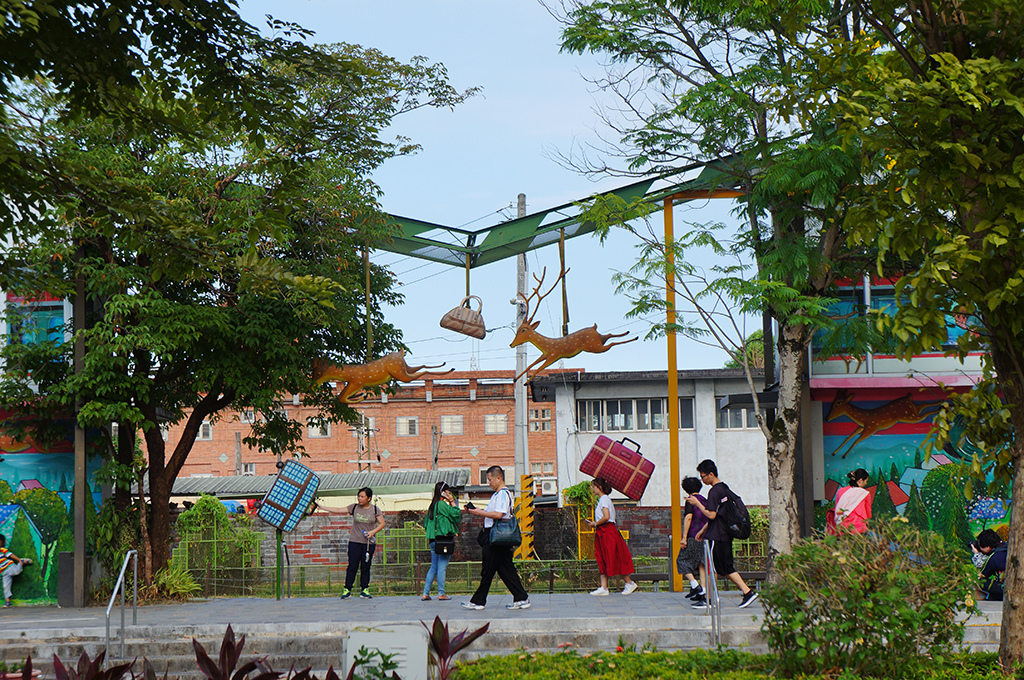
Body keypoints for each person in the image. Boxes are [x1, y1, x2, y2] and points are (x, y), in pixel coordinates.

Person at [685, 459, 758, 609]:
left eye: (703, 476)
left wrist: (697, 503)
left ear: (711, 474)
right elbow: (719, 515)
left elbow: (711, 515)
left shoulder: (714, 491)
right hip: (724, 534)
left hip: (717, 536)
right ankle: (746, 592)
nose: (703, 480)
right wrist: (703, 530)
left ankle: (711, 600)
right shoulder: (724, 488)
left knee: (714, 568)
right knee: (725, 568)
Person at [462, 465, 530, 611]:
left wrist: (479, 513)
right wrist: (478, 511)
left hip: (496, 538)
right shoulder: (497, 495)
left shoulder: (503, 494)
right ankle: (521, 598)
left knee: (488, 570)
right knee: (505, 570)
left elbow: (499, 514)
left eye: (490, 479)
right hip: (496, 538)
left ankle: (478, 601)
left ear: (498, 478)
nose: (489, 482)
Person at [320, 487, 386, 599]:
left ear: (369, 498)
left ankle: (364, 589)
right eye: (358, 496)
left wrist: (372, 532)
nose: (359, 499)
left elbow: (382, 523)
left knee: (366, 566)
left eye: (362, 496)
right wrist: (321, 506)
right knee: (352, 566)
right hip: (354, 541)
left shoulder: (375, 509)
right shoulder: (354, 507)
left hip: (368, 543)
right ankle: (347, 590)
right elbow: (338, 509)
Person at [586, 477, 637, 596]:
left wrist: (595, 524)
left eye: (594, 487)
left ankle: (629, 583)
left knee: (614, 556)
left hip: (607, 531)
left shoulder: (604, 499)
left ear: (599, 487)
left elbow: (606, 516)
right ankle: (604, 587)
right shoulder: (603, 499)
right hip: (603, 532)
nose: (592, 489)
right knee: (603, 557)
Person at [422, 481, 461, 601]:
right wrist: (452, 501)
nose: (449, 493)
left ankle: (425, 593)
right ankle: (441, 593)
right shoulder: (442, 505)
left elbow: (425, 524)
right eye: (448, 491)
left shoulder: (432, 507)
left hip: (433, 541)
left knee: (433, 566)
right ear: (443, 492)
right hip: (444, 540)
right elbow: (456, 515)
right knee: (442, 567)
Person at [677, 476, 708, 601]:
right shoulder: (704, 500)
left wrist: (684, 537)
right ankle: (704, 591)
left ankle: (695, 585)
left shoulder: (691, 500)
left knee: (681, 561)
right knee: (701, 564)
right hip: (705, 535)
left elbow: (688, 517)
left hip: (693, 535)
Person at [833, 468, 872, 534]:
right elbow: (868, 514)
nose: (866, 483)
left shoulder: (840, 491)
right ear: (861, 480)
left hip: (843, 528)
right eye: (866, 481)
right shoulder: (865, 494)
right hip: (860, 528)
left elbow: (837, 509)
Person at [972, 528, 1007, 601]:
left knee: (979, 581)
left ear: (988, 547)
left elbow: (982, 574)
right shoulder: (1007, 547)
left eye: (981, 546)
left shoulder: (993, 558)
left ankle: (982, 597)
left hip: (1005, 588)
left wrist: (977, 555)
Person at [0, 534, 31, 608]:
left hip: (9, 566)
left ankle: (22, 562)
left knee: (17, 571)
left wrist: (19, 560)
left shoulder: (2, 550)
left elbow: (10, 555)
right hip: (3, 573)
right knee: (5, 586)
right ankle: (7, 602)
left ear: (2, 542)